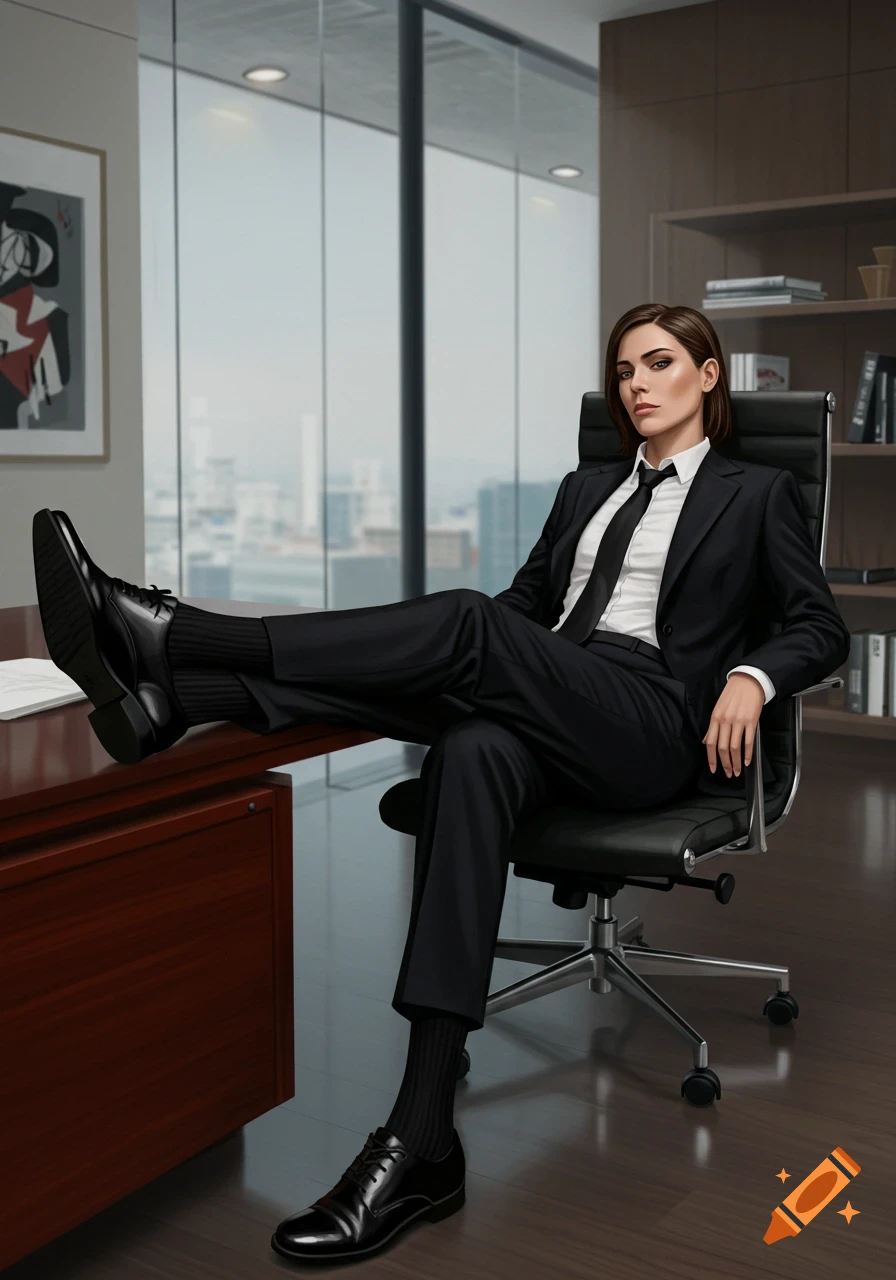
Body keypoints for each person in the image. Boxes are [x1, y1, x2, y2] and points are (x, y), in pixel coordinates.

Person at [31, 301, 850, 1265]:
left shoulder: (756, 494)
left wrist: (753, 679)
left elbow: (820, 625)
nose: (635, 385)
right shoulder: (586, 487)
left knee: (465, 631)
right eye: (623, 369)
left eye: (659, 364)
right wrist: (492, 656)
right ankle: (422, 1139)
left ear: (709, 375)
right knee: (473, 751)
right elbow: (523, 609)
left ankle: (183, 644)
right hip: (551, 704)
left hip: (652, 723)